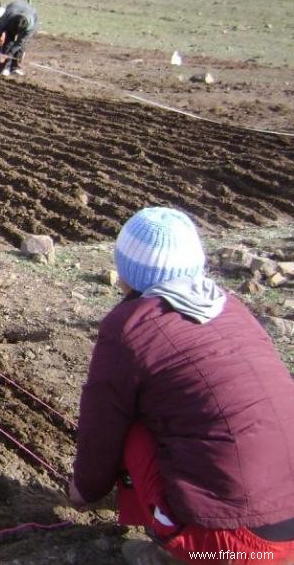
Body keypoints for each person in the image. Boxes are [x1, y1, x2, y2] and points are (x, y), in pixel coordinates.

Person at [68, 207, 294, 565]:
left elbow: (101, 427)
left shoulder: (129, 327)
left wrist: (85, 491)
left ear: (129, 273)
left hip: (231, 544)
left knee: (132, 427)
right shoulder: (232, 309)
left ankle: (171, 554)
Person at [0, 0, 37, 76]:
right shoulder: (7, 16)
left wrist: (7, 55)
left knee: (20, 46)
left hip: (30, 15)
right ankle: (3, 69)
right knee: (8, 41)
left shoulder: (31, 26)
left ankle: (15, 67)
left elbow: (19, 43)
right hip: (14, 9)